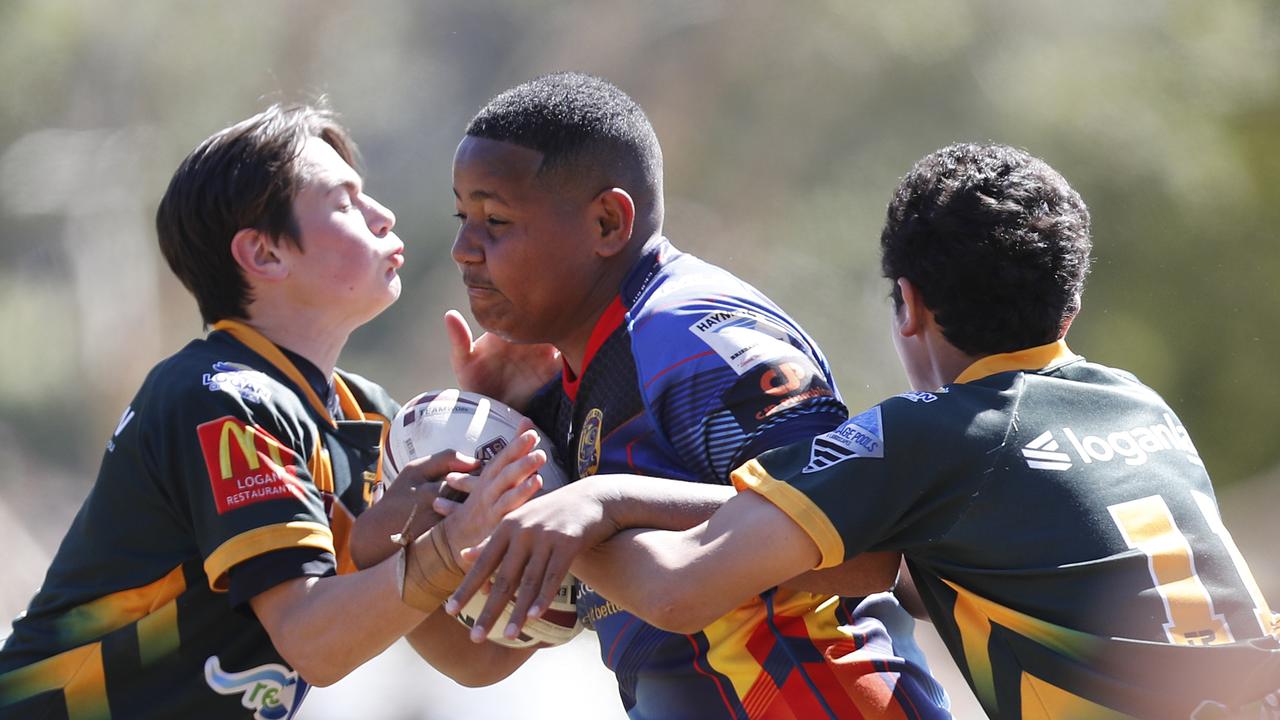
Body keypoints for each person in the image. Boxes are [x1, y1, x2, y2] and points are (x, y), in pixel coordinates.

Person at [455, 142, 1280, 719]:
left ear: (909, 304)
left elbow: (680, 588)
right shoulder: (1139, 405)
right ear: (1071, 302)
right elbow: (893, 574)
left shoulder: (935, 437)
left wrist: (572, 497)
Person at [352, 72, 951, 718]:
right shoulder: (573, 392)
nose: (464, 249)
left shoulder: (696, 340)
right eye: (461, 217)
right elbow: (484, 657)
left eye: (495, 219)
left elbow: (866, 551)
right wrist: (389, 551)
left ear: (608, 222)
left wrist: (605, 501)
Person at [0, 103, 546, 720]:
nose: (383, 215)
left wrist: (517, 436)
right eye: (345, 202)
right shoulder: (222, 397)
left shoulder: (371, 419)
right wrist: (444, 547)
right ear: (264, 256)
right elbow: (313, 641)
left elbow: (472, 662)